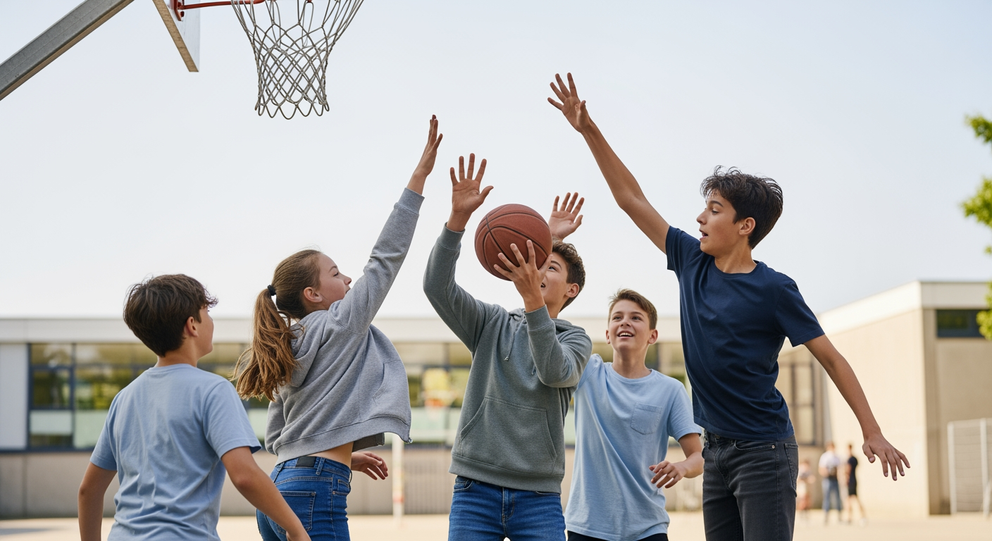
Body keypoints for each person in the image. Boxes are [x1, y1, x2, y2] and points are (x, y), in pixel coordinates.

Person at [548, 72, 910, 541]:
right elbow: (630, 198)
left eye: (715, 209)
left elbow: (832, 359)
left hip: (764, 451)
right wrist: (588, 129)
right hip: (715, 453)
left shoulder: (775, 289)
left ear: (745, 225)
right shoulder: (690, 260)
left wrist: (872, 430)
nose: (700, 217)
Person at [232, 116, 442, 541]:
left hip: (281, 488)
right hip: (312, 491)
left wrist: (344, 454)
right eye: (336, 273)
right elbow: (385, 259)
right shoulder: (341, 322)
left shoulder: (285, 342)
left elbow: (278, 433)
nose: (348, 280)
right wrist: (417, 181)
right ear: (313, 294)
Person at [423, 154, 593, 540]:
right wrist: (457, 221)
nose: (539, 270)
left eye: (551, 267)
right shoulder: (492, 322)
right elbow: (436, 287)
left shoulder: (576, 339)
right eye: (539, 262)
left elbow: (553, 370)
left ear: (571, 291)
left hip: (538, 495)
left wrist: (535, 298)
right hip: (474, 488)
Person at [77, 274, 310, 541]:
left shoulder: (124, 398)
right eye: (206, 312)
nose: (211, 320)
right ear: (192, 326)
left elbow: (88, 490)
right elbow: (245, 476)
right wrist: (296, 529)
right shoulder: (213, 390)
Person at [563, 288, 703, 541]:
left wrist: (681, 467)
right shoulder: (588, 372)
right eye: (617, 317)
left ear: (653, 335)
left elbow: (699, 456)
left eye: (636, 317)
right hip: (587, 527)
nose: (625, 321)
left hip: (648, 528)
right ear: (607, 334)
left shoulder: (670, 389)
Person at [819, 442, 842, 525]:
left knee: (837, 498)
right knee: (827, 498)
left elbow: (839, 468)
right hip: (827, 479)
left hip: (835, 479)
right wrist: (827, 473)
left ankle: (839, 515)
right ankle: (826, 515)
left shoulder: (836, 457)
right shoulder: (825, 457)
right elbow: (821, 468)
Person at [844, 442, 867, 524]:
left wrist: (846, 478)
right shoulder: (855, 459)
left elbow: (848, 470)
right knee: (855, 499)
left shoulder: (850, 459)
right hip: (855, 480)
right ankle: (862, 515)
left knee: (849, 500)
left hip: (851, 481)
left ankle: (850, 517)